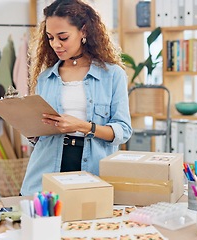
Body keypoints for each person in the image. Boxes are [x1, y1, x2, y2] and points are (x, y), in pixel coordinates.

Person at [20, 0, 132, 196]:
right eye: (50, 37)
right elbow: (40, 136)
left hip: (93, 171)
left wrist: (82, 126)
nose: (55, 44)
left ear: (84, 31)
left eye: (62, 37)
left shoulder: (113, 75)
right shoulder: (46, 77)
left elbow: (123, 130)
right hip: (46, 170)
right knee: (44, 226)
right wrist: (31, 128)